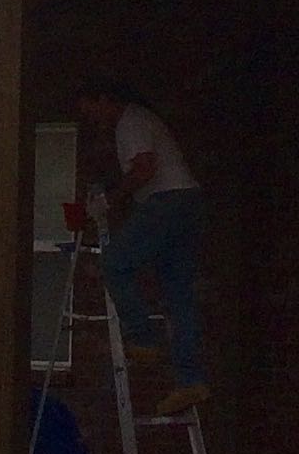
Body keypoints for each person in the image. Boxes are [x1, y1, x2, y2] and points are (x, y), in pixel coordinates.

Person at [74, 81, 209, 418]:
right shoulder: (139, 121)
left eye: (90, 110)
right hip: (187, 202)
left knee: (116, 262)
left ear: (105, 98)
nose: (92, 119)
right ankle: (190, 380)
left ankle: (142, 338)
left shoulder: (130, 121)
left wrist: (110, 200)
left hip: (168, 201)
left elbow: (145, 169)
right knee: (178, 296)